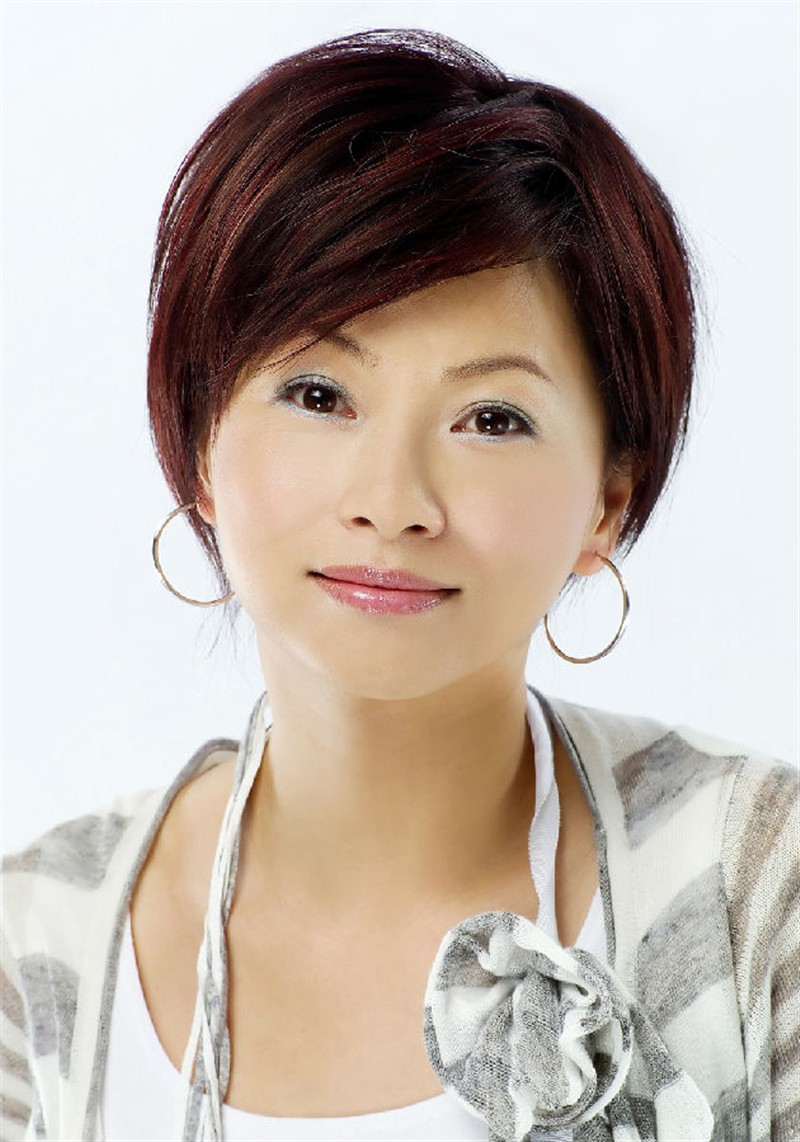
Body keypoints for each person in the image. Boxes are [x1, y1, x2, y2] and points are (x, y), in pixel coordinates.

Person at [1, 27, 797, 1142]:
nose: (392, 501)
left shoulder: (752, 881)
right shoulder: (41, 945)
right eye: (318, 394)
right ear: (199, 441)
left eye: (491, 417)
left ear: (606, 502)